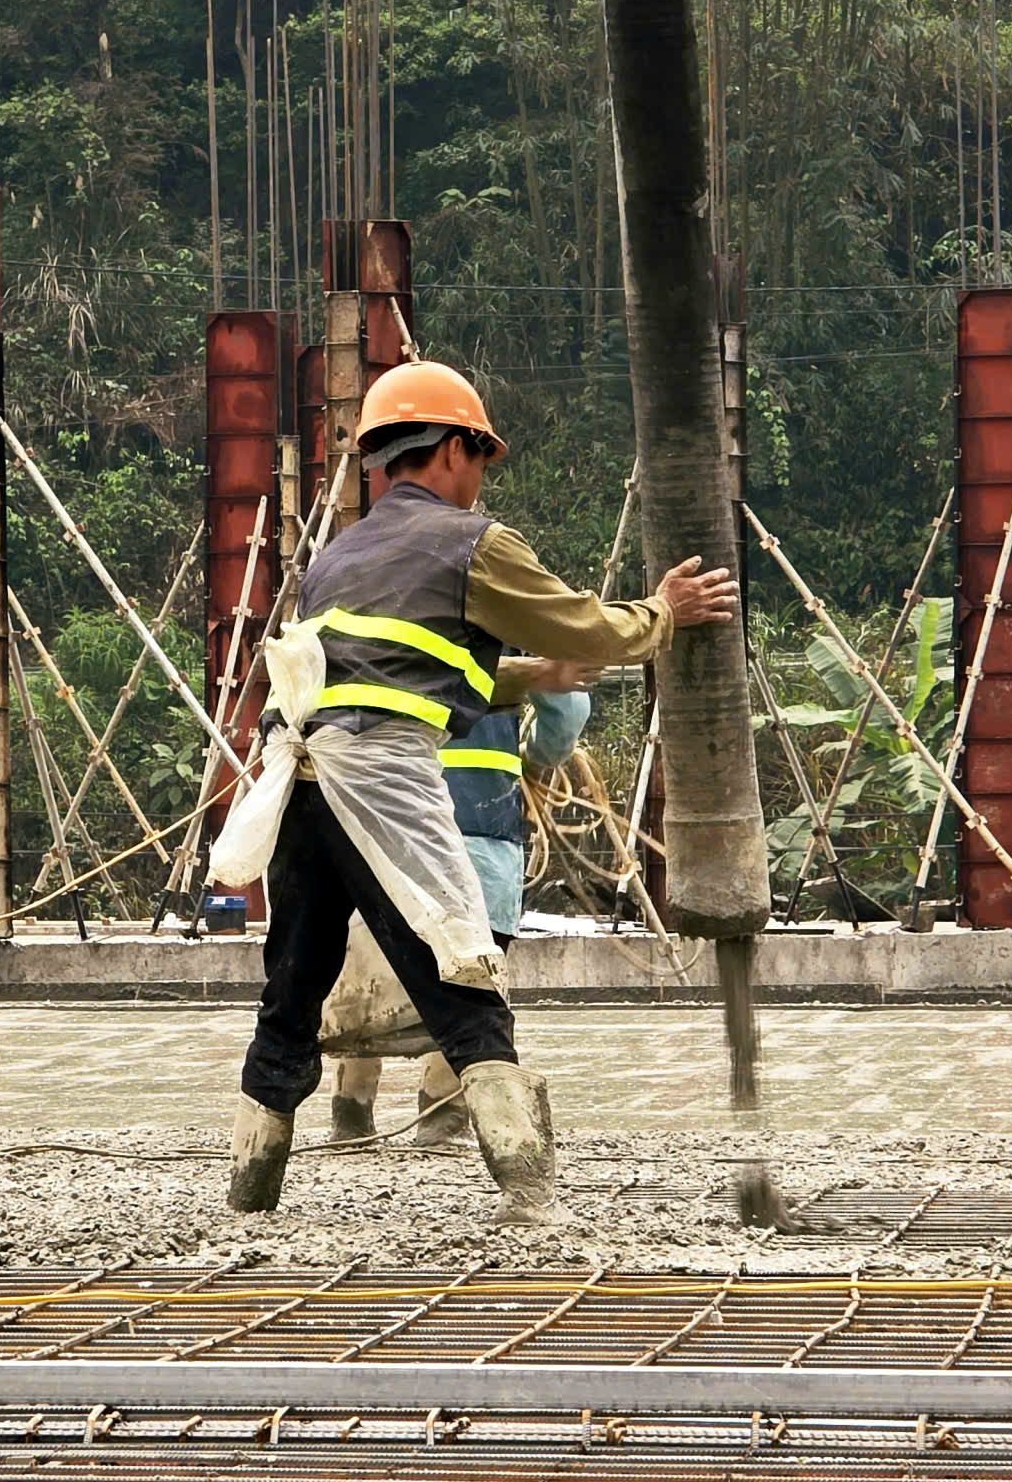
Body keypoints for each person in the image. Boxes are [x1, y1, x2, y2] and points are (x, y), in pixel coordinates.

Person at [228, 360, 738, 1223]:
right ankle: (530, 1195)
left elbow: (403, 669)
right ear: (457, 447)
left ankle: (250, 1191)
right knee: (461, 972)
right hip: (383, 782)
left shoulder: (337, 556)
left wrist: (529, 674)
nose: (481, 480)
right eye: (482, 458)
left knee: (295, 986)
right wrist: (661, 613)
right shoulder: (473, 542)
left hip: (299, 788)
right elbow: (580, 621)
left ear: (387, 459)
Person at [324, 684, 593, 1146]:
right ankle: (441, 1120)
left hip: (380, 823)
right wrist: (534, 751)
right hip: (480, 834)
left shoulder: (373, 623)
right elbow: (564, 713)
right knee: (468, 976)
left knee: (373, 962)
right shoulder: (507, 626)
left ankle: (351, 1119)